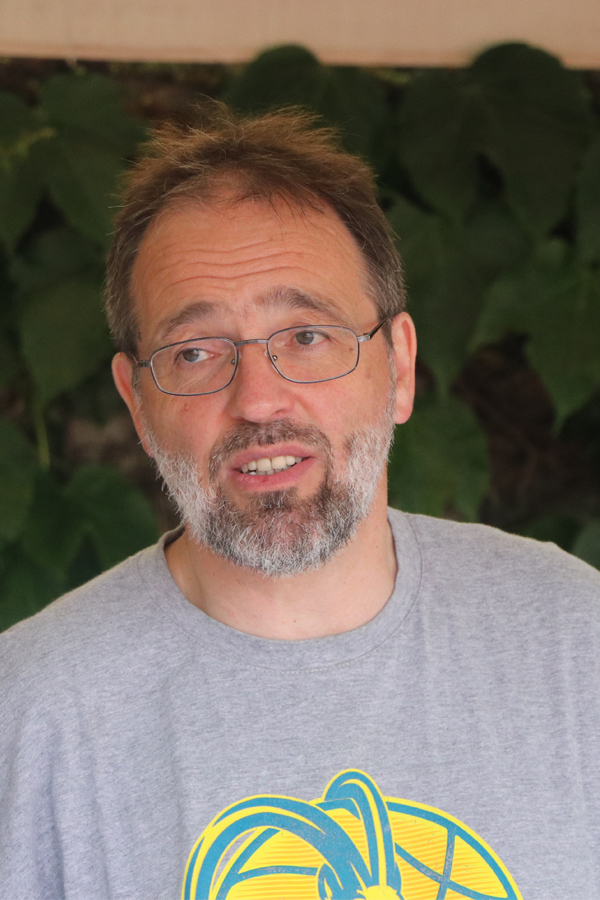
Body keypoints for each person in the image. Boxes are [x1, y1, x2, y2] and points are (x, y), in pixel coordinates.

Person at [1, 103, 600, 900]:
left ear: (399, 368)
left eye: (307, 337)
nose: (258, 399)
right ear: (138, 404)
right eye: (195, 351)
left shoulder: (574, 640)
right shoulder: (29, 713)